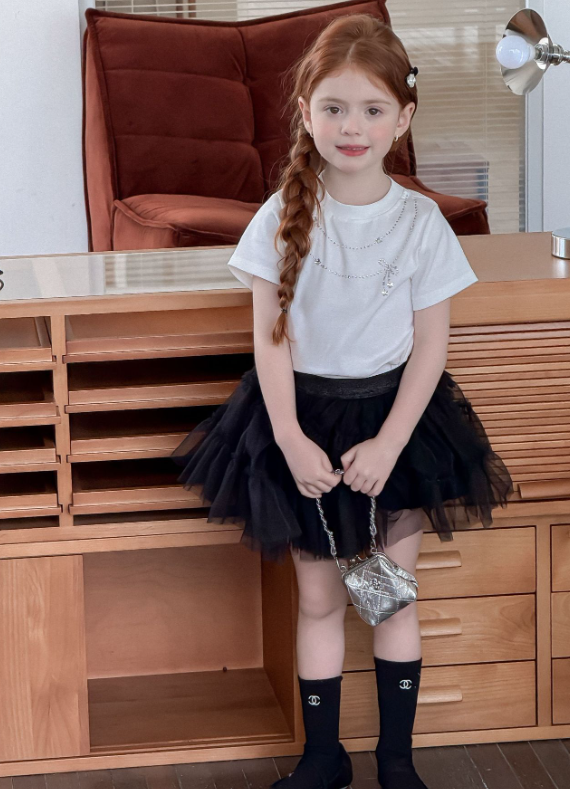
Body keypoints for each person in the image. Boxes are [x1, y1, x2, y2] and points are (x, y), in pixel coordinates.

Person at [171, 13, 513, 789]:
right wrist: (291, 438)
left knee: (392, 599)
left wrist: (390, 443)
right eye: (333, 108)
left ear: (404, 117)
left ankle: (397, 761)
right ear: (305, 112)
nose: (352, 127)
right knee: (321, 598)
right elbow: (271, 344)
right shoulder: (280, 218)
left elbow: (430, 347)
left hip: (397, 425)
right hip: (301, 422)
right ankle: (323, 758)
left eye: (371, 109)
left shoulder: (422, 223)